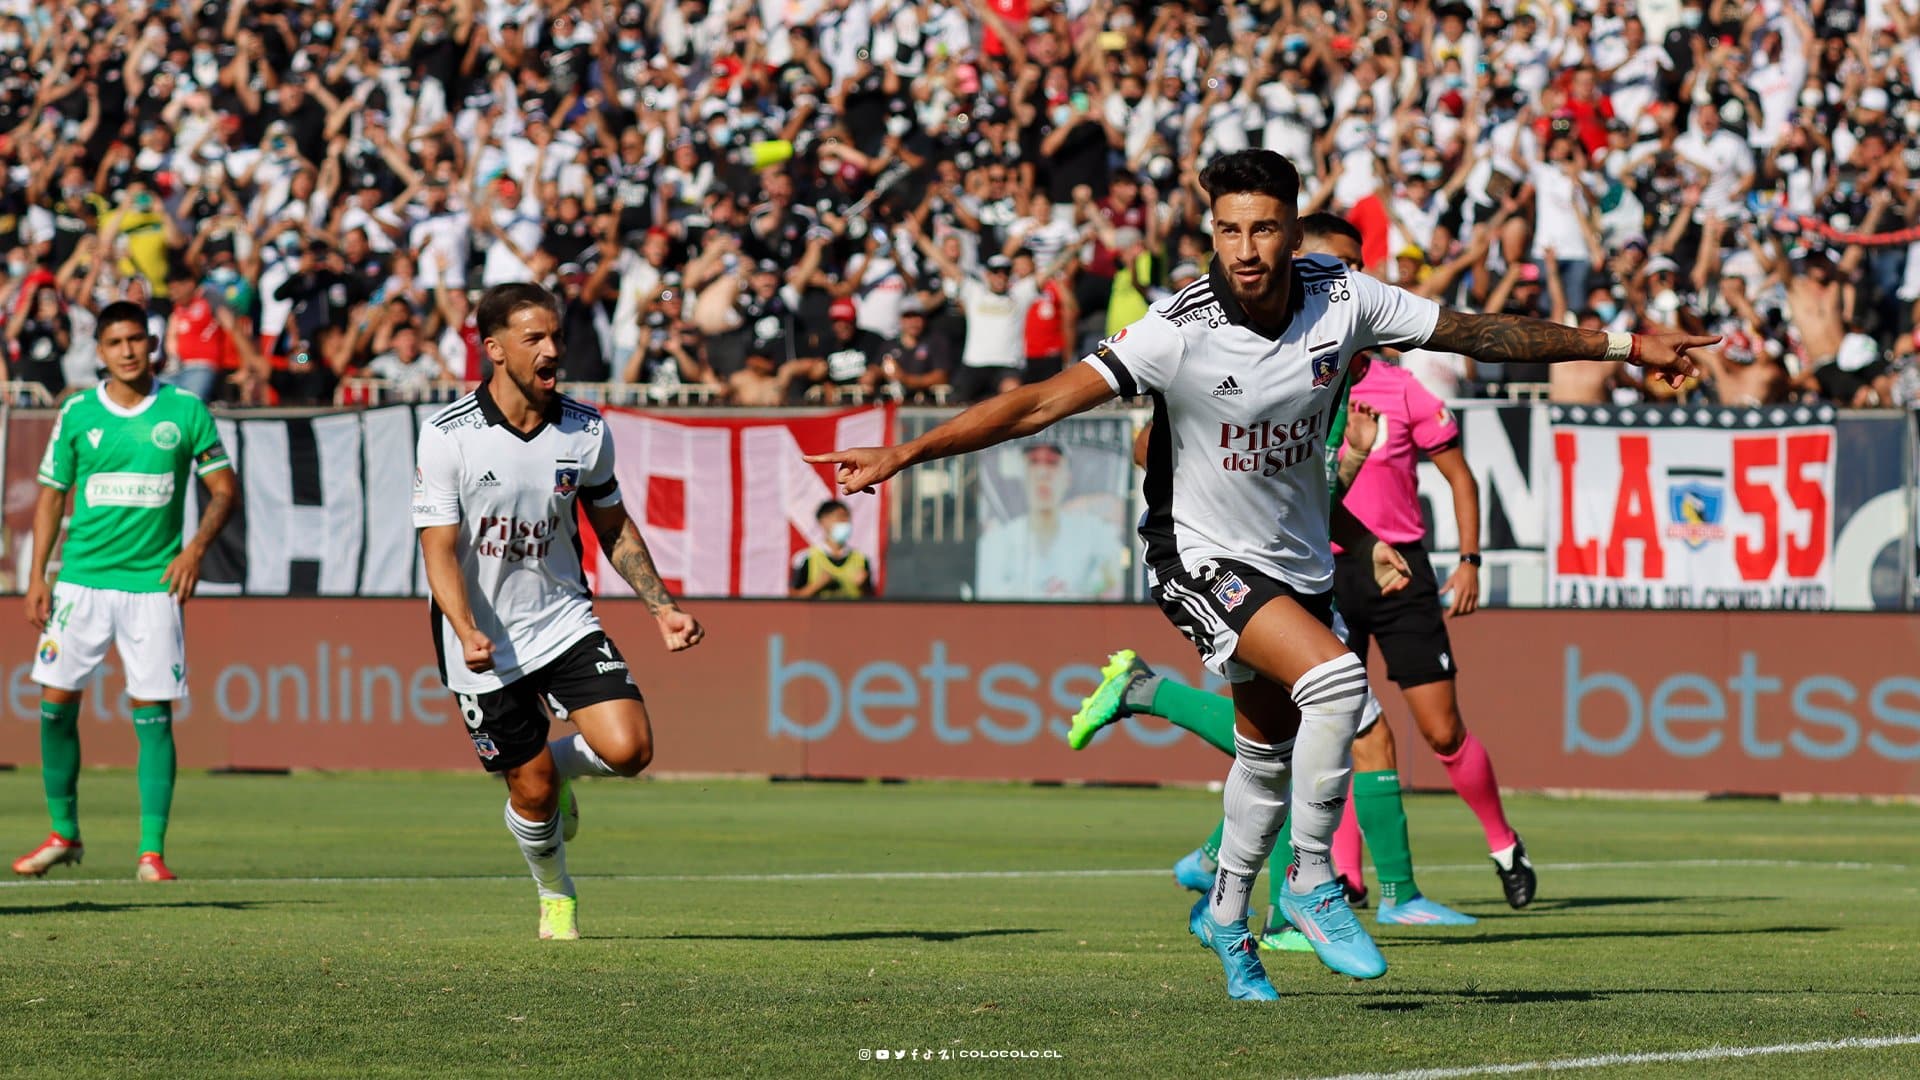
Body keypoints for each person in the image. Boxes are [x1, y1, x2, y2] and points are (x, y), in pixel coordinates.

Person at [806, 149, 1710, 1000]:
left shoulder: (1344, 297)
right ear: (1211, 234)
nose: (1247, 249)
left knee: (1264, 756)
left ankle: (1230, 918)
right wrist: (909, 450)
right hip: (1196, 554)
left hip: (1293, 558)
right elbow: (1041, 401)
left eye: (1265, 229)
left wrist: (1627, 346)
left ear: (1291, 232)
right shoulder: (1176, 330)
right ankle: (1316, 882)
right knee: (1339, 682)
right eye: (1230, 231)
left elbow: (1480, 332)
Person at [412, 283, 706, 941]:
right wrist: (464, 631)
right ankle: (556, 894)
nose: (552, 351)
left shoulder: (586, 428)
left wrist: (663, 608)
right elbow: (437, 550)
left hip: (562, 618)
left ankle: (558, 765)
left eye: (556, 337)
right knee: (535, 791)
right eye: (533, 339)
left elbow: (614, 526)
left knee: (631, 750)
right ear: (493, 349)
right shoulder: (446, 436)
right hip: (481, 636)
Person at [12, 301, 238, 882]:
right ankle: (64, 832)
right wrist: (37, 575)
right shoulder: (79, 412)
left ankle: (150, 851)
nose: (129, 350)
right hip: (82, 582)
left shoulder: (185, 410)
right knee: (54, 706)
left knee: (153, 713)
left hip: (152, 585)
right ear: (101, 352)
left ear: (153, 344)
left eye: (137, 339)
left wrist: (193, 551)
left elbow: (224, 489)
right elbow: (51, 497)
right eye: (116, 342)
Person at [974, 441, 1125, 601]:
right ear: (1022, 474)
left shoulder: (1095, 536)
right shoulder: (996, 543)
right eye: (1034, 462)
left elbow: (1112, 589)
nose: (1043, 473)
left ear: (1068, 477)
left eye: (1052, 462)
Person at [789, 500, 874, 599]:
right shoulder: (806, 558)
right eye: (839, 517)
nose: (844, 522)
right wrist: (816, 586)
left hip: (851, 614)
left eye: (847, 517)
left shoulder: (862, 559)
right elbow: (792, 598)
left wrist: (863, 586)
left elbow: (871, 600)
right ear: (823, 521)